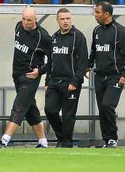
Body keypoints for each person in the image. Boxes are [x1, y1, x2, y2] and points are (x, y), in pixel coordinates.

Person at [0, 7, 51, 148]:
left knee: (18, 106)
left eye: (29, 20)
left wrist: (40, 71)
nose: (25, 23)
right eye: (24, 19)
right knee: (31, 109)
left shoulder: (43, 36)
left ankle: (4, 140)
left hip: (30, 77)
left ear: (36, 20)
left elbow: (54, 59)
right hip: (17, 75)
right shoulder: (18, 27)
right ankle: (43, 142)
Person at [87, 1, 125, 148]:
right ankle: (107, 140)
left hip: (115, 76)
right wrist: (88, 66)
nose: (95, 15)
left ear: (107, 14)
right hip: (99, 76)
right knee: (102, 108)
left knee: (108, 105)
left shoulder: (119, 31)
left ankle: (113, 138)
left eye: (98, 13)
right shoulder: (96, 30)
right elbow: (94, 52)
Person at [44, 8, 88, 148]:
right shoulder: (54, 37)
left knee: (68, 115)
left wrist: (75, 81)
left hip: (71, 82)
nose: (65, 21)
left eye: (67, 18)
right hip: (54, 82)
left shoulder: (78, 37)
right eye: (62, 19)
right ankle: (62, 137)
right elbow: (50, 61)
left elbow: (83, 62)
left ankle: (66, 143)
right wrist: (47, 80)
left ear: (71, 19)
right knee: (50, 110)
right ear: (57, 20)